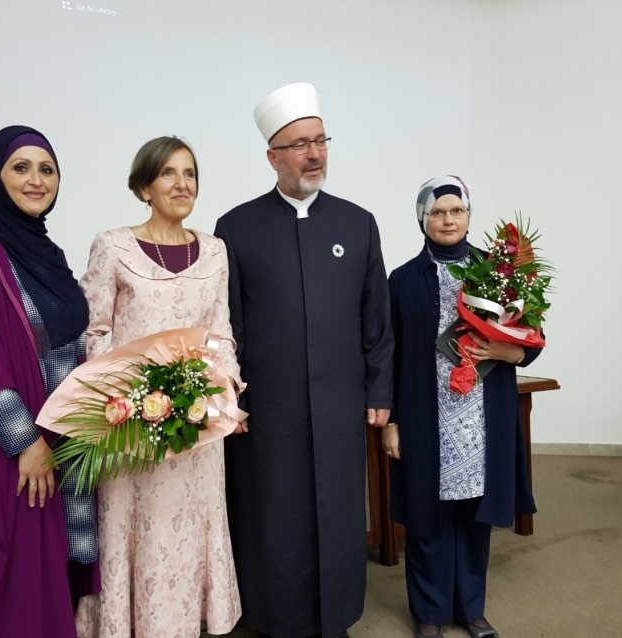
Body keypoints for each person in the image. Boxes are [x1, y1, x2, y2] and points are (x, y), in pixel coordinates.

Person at [214, 83, 394, 638]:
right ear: (272, 156)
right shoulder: (236, 227)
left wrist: (380, 391)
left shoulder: (358, 223)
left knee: (339, 515)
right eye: (299, 144)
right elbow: (228, 326)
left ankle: (335, 617)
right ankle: (273, 619)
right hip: (268, 410)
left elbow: (377, 321)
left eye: (320, 141)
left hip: (341, 405)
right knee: (276, 515)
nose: (314, 153)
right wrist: (230, 399)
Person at [74, 136, 242, 638]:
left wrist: (223, 389)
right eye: (168, 173)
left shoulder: (214, 251)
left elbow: (222, 333)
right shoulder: (112, 245)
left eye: (189, 174)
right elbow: (95, 330)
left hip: (196, 430)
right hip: (130, 427)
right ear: (144, 186)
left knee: (191, 535)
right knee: (132, 534)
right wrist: (131, 392)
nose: (182, 183)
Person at [0, 125, 99, 638]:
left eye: (47, 169)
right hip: (16, 449)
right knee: (19, 581)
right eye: (21, 167)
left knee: (59, 572)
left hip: (67, 440)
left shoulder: (52, 257)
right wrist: (25, 442)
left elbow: (77, 343)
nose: (36, 180)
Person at [385, 176, 540, 638]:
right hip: (424, 415)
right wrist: (392, 420)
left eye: (456, 210)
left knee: (476, 517)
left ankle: (471, 609)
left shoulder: (500, 273)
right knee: (426, 518)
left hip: (481, 417)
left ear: (469, 216)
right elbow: (388, 354)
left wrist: (505, 353)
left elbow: (529, 341)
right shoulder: (402, 281)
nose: (447, 219)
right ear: (422, 219)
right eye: (437, 212)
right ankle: (430, 613)